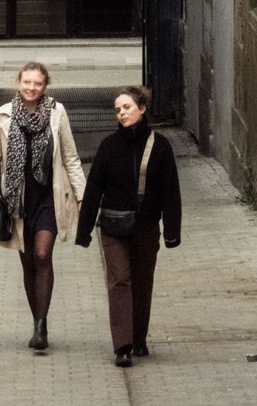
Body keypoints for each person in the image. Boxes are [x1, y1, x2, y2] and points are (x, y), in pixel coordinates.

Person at [0, 61, 86, 351]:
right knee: (28, 264)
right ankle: (38, 319)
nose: (31, 88)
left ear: (44, 86)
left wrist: (82, 195)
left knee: (42, 255)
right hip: (18, 202)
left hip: (49, 198)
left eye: (37, 83)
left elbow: (70, 157)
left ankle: (41, 325)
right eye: (27, 82)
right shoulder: (1, 115)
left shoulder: (56, 112)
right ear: (18, 83)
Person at [75, 85, 181, 367]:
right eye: (118, 110)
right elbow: (94, 188)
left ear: (142, 109)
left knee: (142, 283)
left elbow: (171, 191)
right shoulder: (109, 146)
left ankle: (139, 337)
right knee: (119, 280)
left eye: (127, 108)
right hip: (113, 225)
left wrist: (172, 231)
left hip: (146, 226)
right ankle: (122, 345)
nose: (121, 114)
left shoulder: (160, 146)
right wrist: (84, 231)